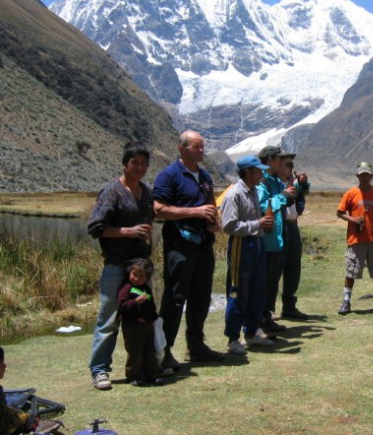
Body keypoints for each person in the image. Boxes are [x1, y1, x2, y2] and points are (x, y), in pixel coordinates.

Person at [153, 130, 224, 371]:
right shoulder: (169, 175)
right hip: (179, 244)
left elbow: (211, 206)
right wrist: (194, 213)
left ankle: (196, 345)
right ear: (182, 149)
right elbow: (158, 209)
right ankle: (163, 351)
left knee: (201, 296)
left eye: (203, 147)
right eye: (197, 147)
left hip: (203, 244)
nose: (202, 151)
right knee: (174, 298)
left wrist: (213, 222)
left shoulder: (204, 176)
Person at [87, 141, 154, 390]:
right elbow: (94, 227)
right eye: (134, 163)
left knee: (141, 316)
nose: (139, 168)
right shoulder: (112, 192)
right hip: (116, 265)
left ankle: (142, 366)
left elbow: (148, 221)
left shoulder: (146, 192)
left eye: (144, 163)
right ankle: (100, 370)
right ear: (125, 164)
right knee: (110, 317)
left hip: (140, 267)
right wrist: (127, 231)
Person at [221, 156, 275, 354]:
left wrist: (262, 226)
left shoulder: (253, 192)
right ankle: (233, 338)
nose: (261, 173)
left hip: (257, 244)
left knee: (257, 289)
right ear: (248, 172)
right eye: (258, 170)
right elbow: (228, 225)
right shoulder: (234, 194)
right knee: (238, 290)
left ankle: (251, 333)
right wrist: (258, 224)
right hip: (241, 246)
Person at [336, 161, 373, 314]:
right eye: (362, 175)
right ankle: (346, 301)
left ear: (372, 176)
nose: (365, 177)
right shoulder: (350, 193)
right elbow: (339, 212)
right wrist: (353, 220)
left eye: (367, 175)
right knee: (351, 271)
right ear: (357, 176)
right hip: (356, 239)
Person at [256, 146, 296, 333]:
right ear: (270, 160)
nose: (282, 163)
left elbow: (285, 200)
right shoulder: (262, 181)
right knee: (262, 284)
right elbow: (263, 206)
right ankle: (258, 322)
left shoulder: (272, 180)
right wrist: (283, 197)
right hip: (265, 241)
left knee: (272, 283)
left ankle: (266, 318)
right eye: (279, 159)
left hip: (275, 239)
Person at [117, 258, 163, 385]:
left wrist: (153, 318)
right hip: (132, 325)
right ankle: (134, 376)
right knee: (135, 352)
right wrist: (135, 302)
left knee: (150, 351)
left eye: (141, 276)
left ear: (147, 277)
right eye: (134, 275)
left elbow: (152, 305)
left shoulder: (146, 289)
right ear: (129, 273)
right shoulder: (126, 288)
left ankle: (152, 374)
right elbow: (122, 305)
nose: (136, 278)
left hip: (147, 325)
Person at [276, 154, 311, 320]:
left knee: (293, 267)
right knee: (275, 268)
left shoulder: (293, 183)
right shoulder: (272, 184)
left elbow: (304, 190)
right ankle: (268, 310)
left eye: (291, 165)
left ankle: (289, 306)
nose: (290, 167)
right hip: (279, 227)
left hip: (293, 225)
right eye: (287, 164)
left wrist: (303, 183)